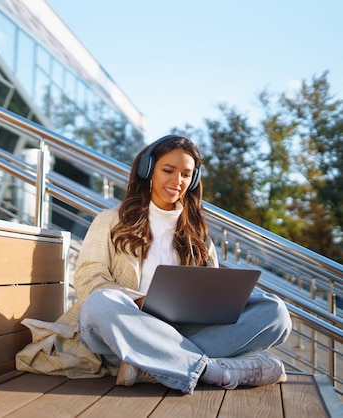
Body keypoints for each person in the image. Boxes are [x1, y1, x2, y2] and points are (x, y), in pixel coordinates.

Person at [16, 134, 292, 395]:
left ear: (193, 180)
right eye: (168, 170)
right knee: (100, 302)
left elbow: (211, 290)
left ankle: (151, 365)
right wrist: (139, 301)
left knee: (275, 312)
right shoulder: (111, 220)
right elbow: (89, 281)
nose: (178, 180)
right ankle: (213, 370)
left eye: (186, 174)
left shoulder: (197, 233)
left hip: (179, 331)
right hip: (123, 328)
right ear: (148, 171)